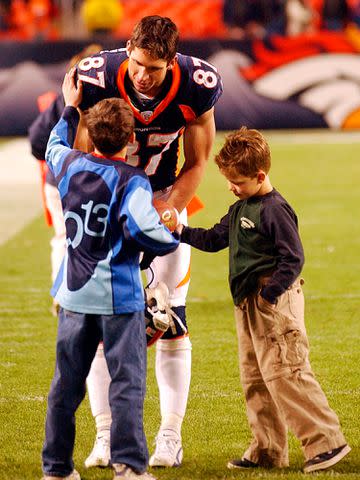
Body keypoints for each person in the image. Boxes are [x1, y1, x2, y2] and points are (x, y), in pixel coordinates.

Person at [74, 15, 223, 468]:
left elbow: (198, 161)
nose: (142, 75)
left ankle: (170, 436)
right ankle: (105, 435)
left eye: (154, 69)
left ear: (172, 62)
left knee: (171, 320)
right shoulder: (98, 76)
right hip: (112, 207)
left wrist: (171, 203)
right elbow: (82, 155)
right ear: (128, 49)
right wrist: (112, 202)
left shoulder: (197, 84)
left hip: (164, 204)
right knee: (101, 330)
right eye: (138, 64)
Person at [176, 127, 351, 474]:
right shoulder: (242, 204)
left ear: (260, 175)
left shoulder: (275, 210)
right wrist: (180, 233)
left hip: (272, 302)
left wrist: (271, 295)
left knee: (287, 372)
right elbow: (213, 238)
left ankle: (326, 442)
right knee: (255, 377)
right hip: (247, 303)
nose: (231, 186)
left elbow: (293, 258)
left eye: (238, 181)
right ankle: (267, 449)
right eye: (229, 180)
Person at [41, 68, 179, 480]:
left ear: (91, 132)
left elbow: (53, 144)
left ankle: (56, 468)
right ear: (130, 139)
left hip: (72, 295)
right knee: (126, 385)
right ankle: (130, 467)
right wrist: (170, 238)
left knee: (65, 387)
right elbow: (142, 228)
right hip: (118, 298)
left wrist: (69, 106)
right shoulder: (131, 179)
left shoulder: (66, 164)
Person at [28, 43, 102, 316]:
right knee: (91, 236)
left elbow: (36, 140)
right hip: (90, 180)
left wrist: (55, 155)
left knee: (64, 237)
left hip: (57, 179)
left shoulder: (63, 101)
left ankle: (63, 292)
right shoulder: (105, 101)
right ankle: (82, 292)